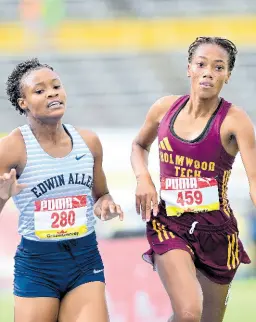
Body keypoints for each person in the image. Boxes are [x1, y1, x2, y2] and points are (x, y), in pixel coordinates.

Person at [131, 36, 253, 322]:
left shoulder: (236, 121)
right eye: (201, 64)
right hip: (170, 224)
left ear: (228, 75)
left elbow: (254, 178)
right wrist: (143, 177)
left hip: (218, 232)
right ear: (190, 68)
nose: (209, 72)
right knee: (188, 313)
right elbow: (139, 146)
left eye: (218, 67)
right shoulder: (164, 109)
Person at [1, 58, 123, 322]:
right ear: (23, 103)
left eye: (56, 86)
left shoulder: (88, 142)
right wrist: (3, 195)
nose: (52, 93)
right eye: (40, 90)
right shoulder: (11, 148)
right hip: (38, 265)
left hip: (84, 257)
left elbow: (101, 194)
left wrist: (106, 203)